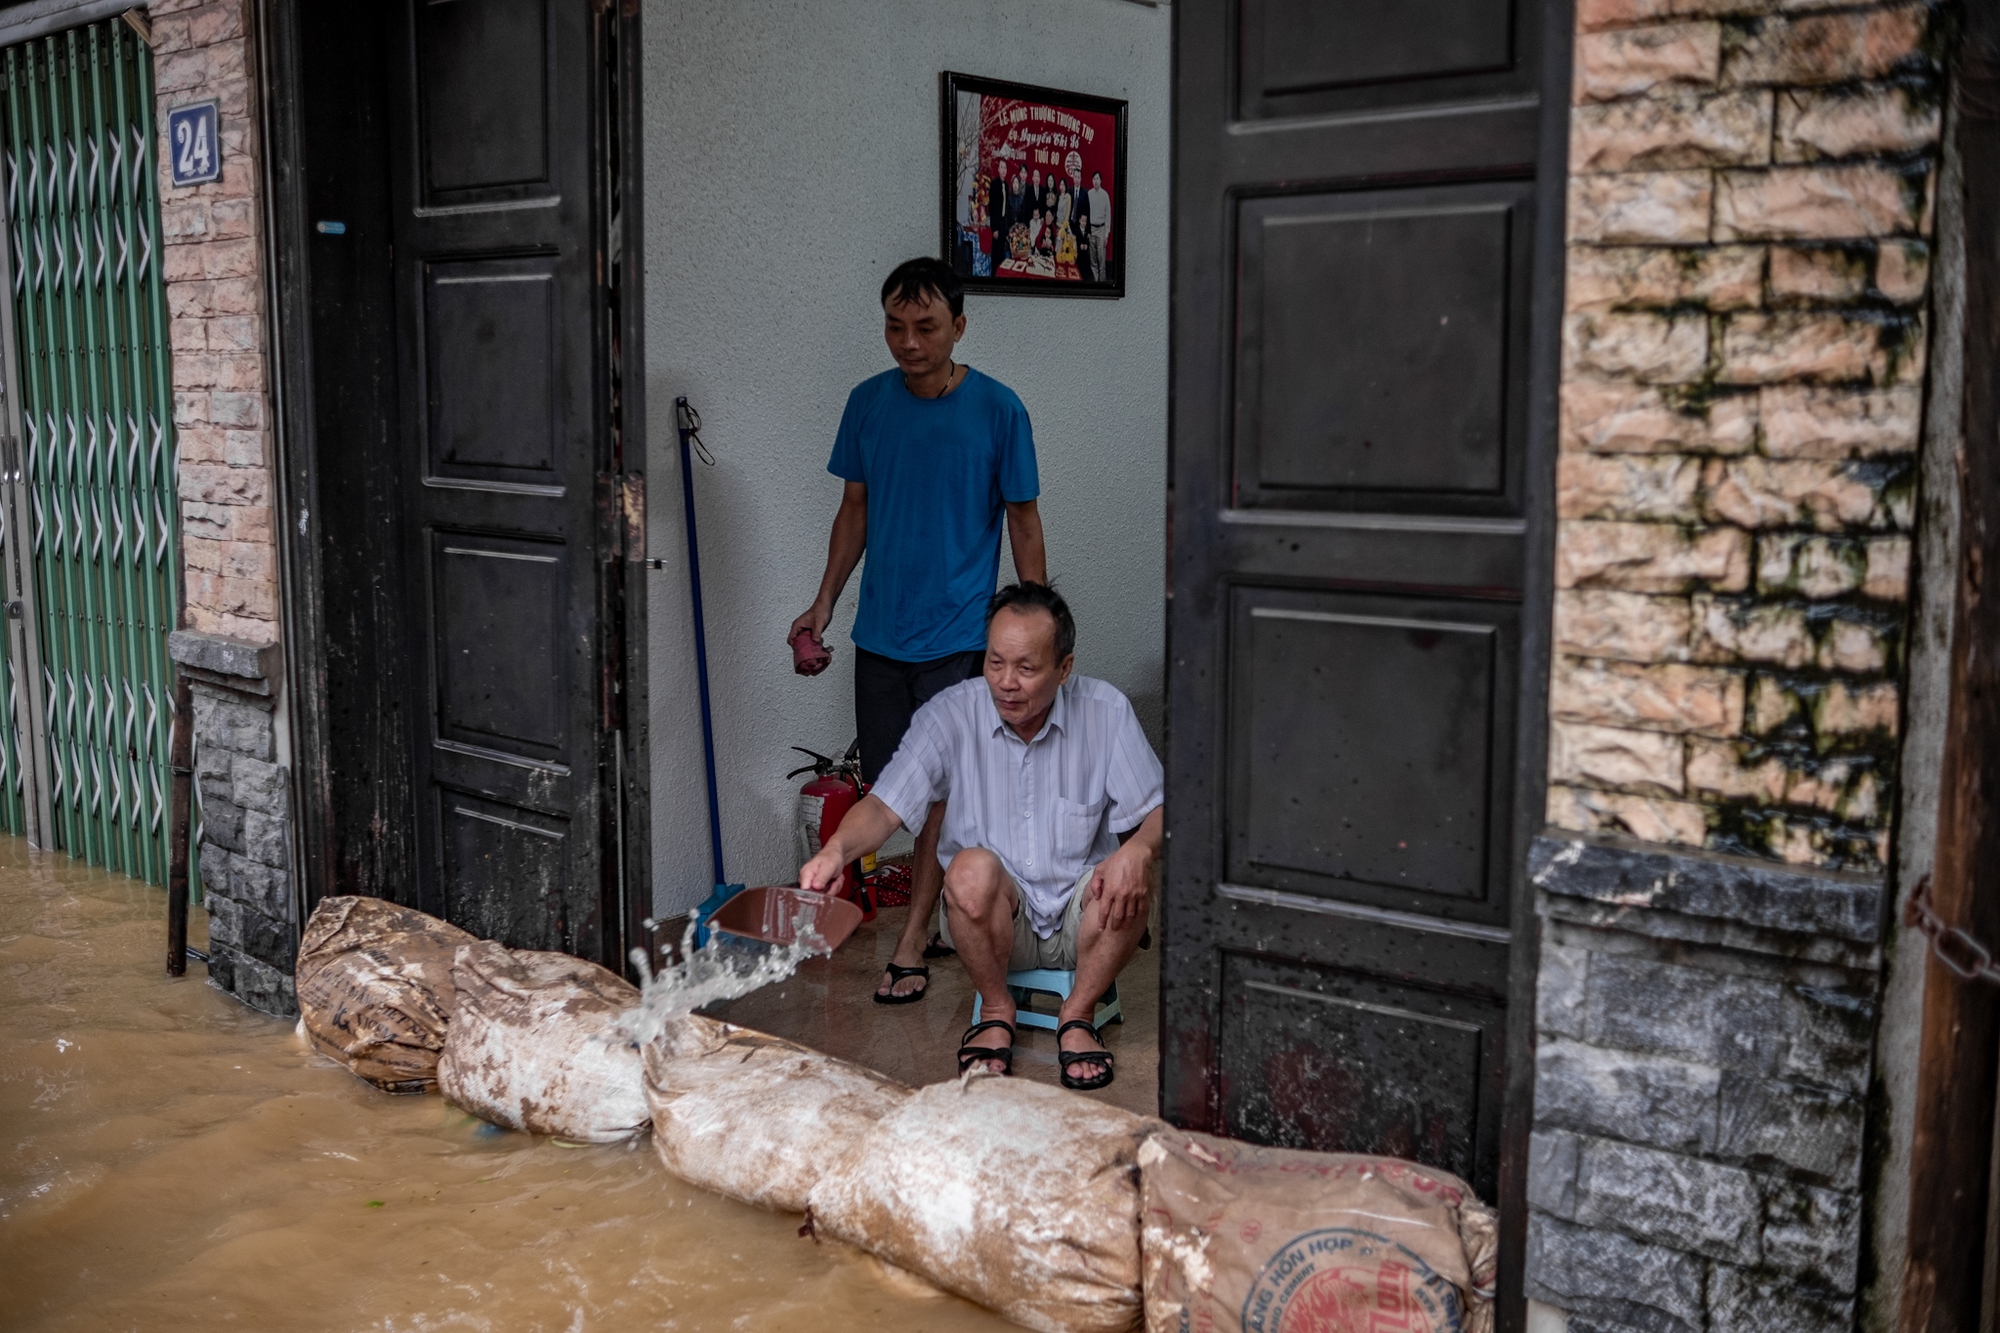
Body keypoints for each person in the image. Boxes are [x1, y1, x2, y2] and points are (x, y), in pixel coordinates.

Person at [789, 258, 1047, 1007]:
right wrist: (823, 602)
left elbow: (1024, 521)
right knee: (890, 785)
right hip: (882, 633)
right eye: (895, 327)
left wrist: (1031, 630)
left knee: (940, 793)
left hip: (960, 635)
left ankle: (911, 938)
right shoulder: (867, 404)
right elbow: (855, 511)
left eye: (926, 327)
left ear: (959, 327)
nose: (908, 341)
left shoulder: (1000, 410)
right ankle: (923, 916)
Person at [800, 583, 1163, 1091]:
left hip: (1086, 923)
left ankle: (1077, 1016)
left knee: (1129, 872)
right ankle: (996, 1008)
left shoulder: (1106, 712)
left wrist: (1140, 849)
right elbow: (884, 806)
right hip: (996, 927)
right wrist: (835, 851)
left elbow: (1157, 811)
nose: (1006, 683)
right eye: (995, 663)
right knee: (968, 869)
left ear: (1064, 667)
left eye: (1027, 668)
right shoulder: (951, 715)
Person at [1087, 172, 1112, 279]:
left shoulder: (1105, 195)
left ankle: (1102, 284)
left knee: (1101, 261)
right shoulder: (1089, 194)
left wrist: (1106, 234)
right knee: (1093, 260)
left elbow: (1108, 216)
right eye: (1093, 179)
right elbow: (1086, 213)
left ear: (1100, 181)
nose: (1095, 181)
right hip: (1091, 230)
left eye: (1097, 179)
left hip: (1101, 230)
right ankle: (1095, 283)